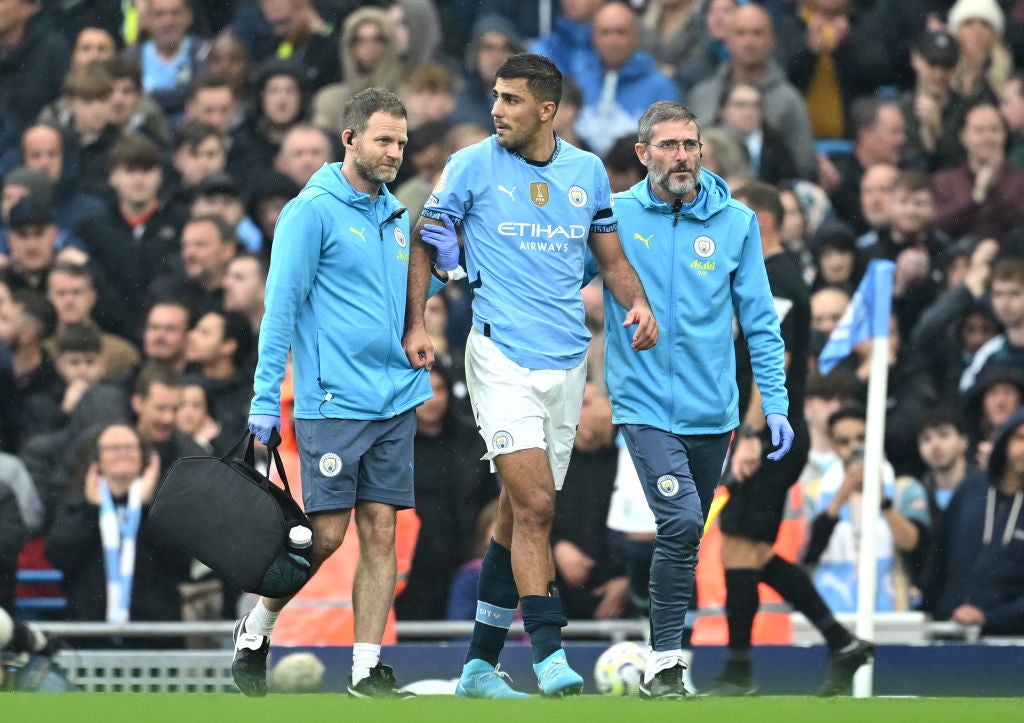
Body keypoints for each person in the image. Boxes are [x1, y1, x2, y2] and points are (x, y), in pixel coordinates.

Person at [402, 53, 657, 699]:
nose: (496, 109)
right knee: (540, 504)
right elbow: (426, 238)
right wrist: (416, 324)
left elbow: (610, 255)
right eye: (494, 96)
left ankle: (478, 667)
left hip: (568, 359)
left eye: (512, 100)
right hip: (499, 356)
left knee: (518, 515)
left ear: (547, 109)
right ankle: (549, 653)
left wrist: (638, 302)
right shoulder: (470, 164)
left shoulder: (586, 172)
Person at [239, 87, 450, 699]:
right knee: (327, 537)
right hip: (334, 401)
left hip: (395, 397)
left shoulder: (395, 214)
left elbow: (389, 305)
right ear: (349, 139)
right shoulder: (310, 212)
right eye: (383, 140)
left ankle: (366, 669)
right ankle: (258, 625)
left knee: (381, 532)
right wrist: (261, 399)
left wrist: (439, 279)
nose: (394, 153)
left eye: (402, 143)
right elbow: (279, 311)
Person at [586, 105, 777, 699]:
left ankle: (665, 663)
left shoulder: (736, 223)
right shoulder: (612, 218)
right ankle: (666, 660)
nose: (682, 156)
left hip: (713, 411)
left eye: (690, 144)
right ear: (643, 154)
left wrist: (778, 404)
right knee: (682, 520)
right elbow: (547, 275)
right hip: (643, 406)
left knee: (684, 540)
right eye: (668, 145)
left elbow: (762, 322)